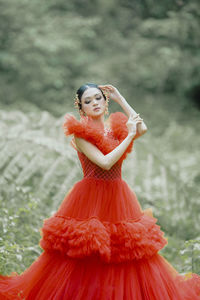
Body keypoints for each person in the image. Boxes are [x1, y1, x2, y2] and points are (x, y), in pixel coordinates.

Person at [0, 83, 200, 299]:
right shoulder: (81, 134)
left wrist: (120, 98)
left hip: (118, 196)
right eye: (88, 101)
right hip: (91, 197)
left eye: (98, 98)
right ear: (81, 108)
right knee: (88, 247)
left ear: (105, 103)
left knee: (124, 249)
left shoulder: (113, 129)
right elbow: (105, 163)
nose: (94, 103)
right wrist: (128, 136)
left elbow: (141, 128)